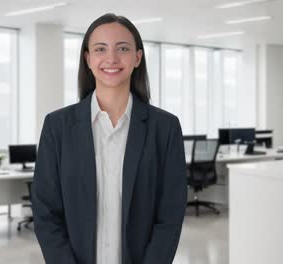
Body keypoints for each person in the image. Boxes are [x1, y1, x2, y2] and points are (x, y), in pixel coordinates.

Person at [32, 13, 187, 264]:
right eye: (100, 49)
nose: (112, 58)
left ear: (137, 57)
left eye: (123, 48)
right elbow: (45, 213)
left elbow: (170, 215)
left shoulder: (165, 128)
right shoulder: (57, 127)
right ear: (88, 59)